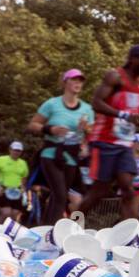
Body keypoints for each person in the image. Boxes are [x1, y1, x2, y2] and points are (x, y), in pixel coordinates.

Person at [78, 46, 139, 222]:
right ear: (134, 59)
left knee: (129, 189)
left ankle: (126, 235)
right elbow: (96, 103)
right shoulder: (115, 76)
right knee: (99, 191)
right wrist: (123, 115)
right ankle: (71, 225)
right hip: (104, 141)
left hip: (125, 144)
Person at [29, 68, 93, 222]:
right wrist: (51, 129)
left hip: (71, 157)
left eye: (80, 81)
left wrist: (86, 131)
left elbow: (92, 135)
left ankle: (45, 230)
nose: (78, 83)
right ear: (65, 82)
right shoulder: (52, 104)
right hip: (51, 154)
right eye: (74, 80)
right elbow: (32, 125)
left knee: (59, 196)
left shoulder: (87, 109)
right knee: (61, 194)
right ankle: (52, 233)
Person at [0, 141, 29, 220]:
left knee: (15, 214)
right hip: (4, 189)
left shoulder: (23, 163)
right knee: (6, 213)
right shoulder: (1, 159)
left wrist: (23, 188)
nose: (16, 152)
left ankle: (10, 231)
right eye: (15, 150)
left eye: (19, 150)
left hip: (17, 191)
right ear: (10, 150)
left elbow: (24, 177)